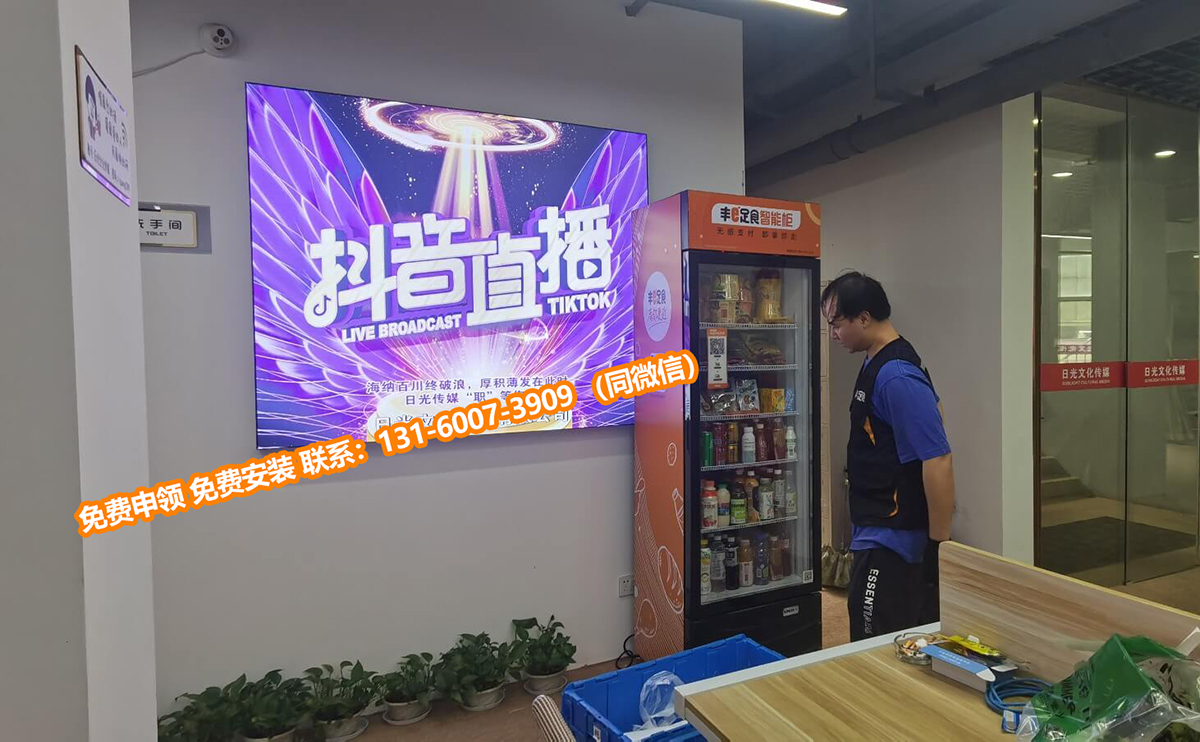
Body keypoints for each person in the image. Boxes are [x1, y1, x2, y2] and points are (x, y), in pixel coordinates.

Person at [821, 272, 955, 641]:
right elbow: (937, 411)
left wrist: (938, 546)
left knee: (875, 643)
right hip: (874, 528)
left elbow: (938, 458)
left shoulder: (896, 375)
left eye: (836, 323)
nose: (833, 334)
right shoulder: (876, 360)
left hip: (893, 540)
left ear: (863, 318)